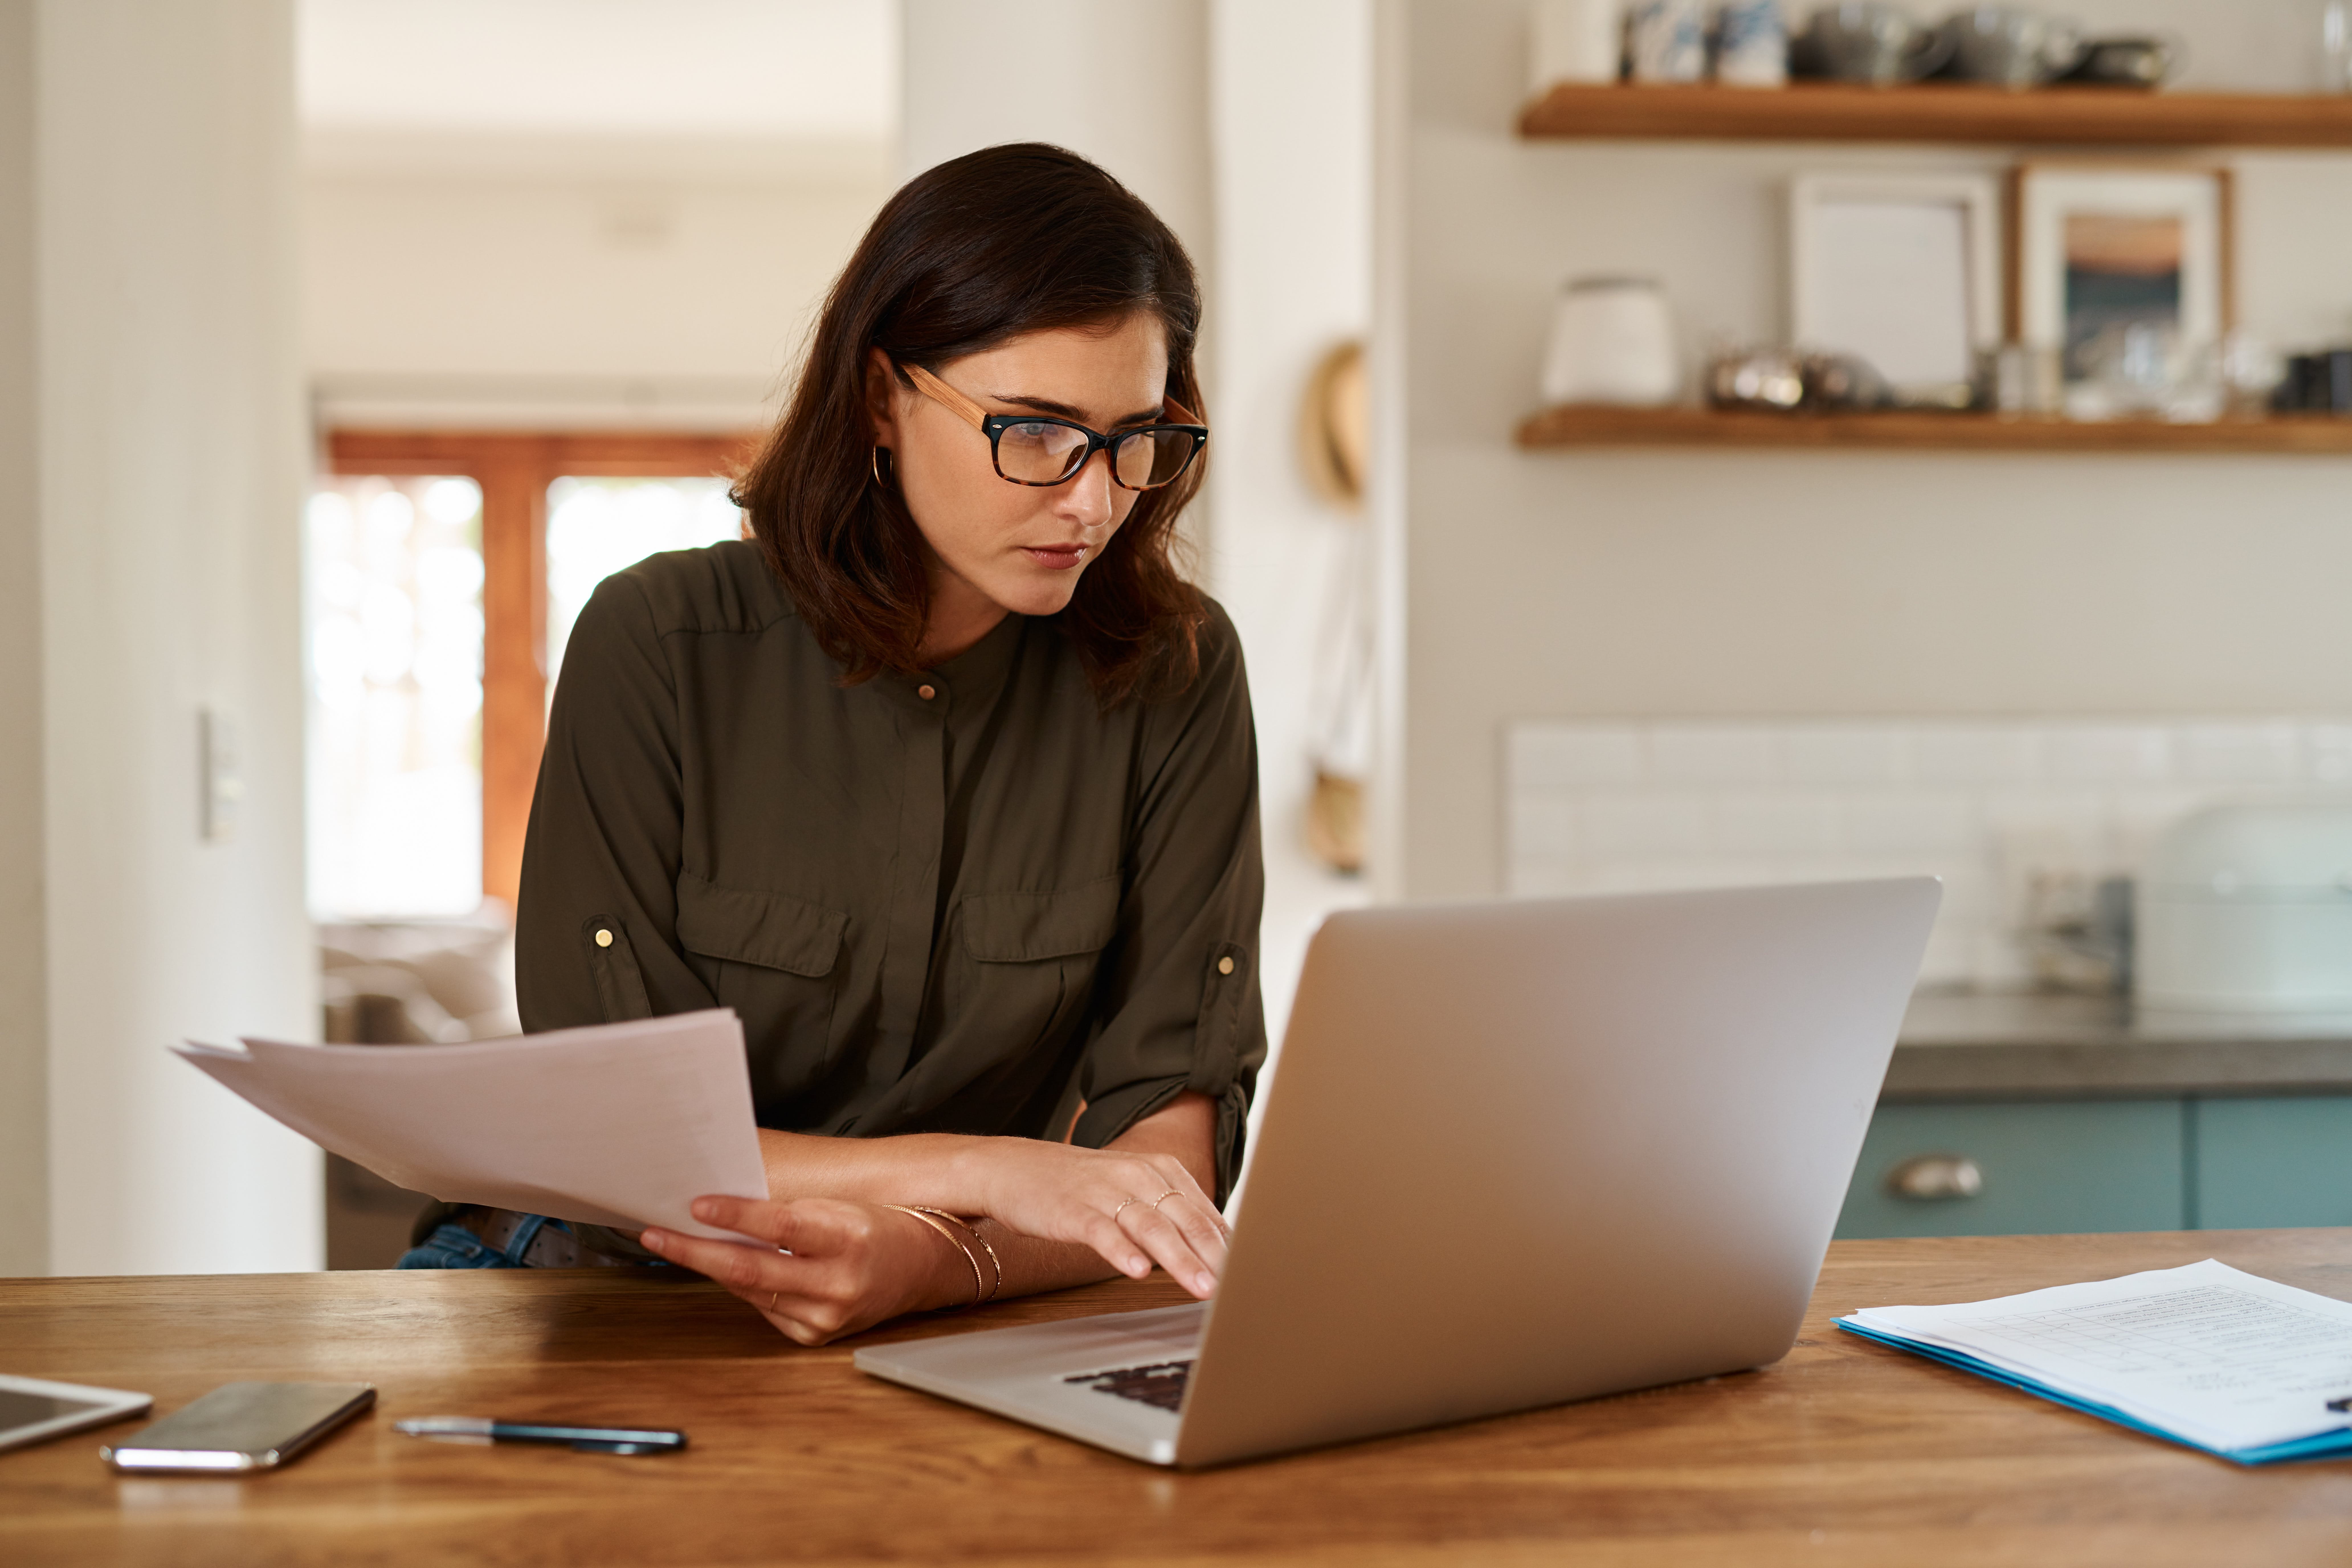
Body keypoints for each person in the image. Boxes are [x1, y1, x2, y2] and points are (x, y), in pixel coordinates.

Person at [399, 143, 1267, 1348]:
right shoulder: (658, 644)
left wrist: (940, 1258)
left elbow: (1167, 1160)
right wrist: (989, 1172)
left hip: (961, 1309)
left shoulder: (1177, 672)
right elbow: (624, 1142)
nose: (1092, 501)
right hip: (588, 1289)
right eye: (1035, 432)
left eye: (1135, 438)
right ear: (879, 398)